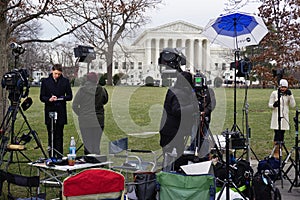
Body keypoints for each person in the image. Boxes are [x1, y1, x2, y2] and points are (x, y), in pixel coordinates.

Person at [159, 71, 199, 171]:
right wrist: (194, 107)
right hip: (173, 131)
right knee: (173, 158)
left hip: (171, 130)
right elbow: (177, 110)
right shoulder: (178, 93)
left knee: (173, 157)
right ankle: (170, 175)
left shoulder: (174, 90)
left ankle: (171, 173)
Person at [40, 64, 73, 158]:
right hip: (49, 109)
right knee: (50, 133)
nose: (57, 76)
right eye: (55, 74)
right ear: (52, 71)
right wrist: (49, 99)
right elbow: (42, 97)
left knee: (59, 134)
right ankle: (51, 155)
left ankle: (59, 155)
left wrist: (61, 98)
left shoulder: (65, 81)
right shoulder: (46, 82)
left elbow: (70, 96)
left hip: (60, 110)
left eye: (59, 74)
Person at [72, 72, 108, 155]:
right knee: (96, 144)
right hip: (98, 120)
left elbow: (75, 105)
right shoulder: (102, 90)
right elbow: (105, 101)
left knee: (87, 143)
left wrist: (81, 114)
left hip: (85, 120)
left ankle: (88, 161)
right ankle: (96, 161)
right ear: (96, 80)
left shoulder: (82, 90)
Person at [190, 71, 216, 158]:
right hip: (193, 118)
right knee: (194, 137)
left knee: (204, 137)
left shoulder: (209, 91)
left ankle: (204, 156)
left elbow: (212, 103)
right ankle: (192, 154)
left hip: (205, 118)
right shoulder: (191, 92)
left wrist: (205, 112)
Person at [268, 79, 295, 159]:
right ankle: (276, 151)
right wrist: (274, 105)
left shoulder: (287, 94)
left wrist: (291, 96)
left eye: (285, 87)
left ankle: (280, 150)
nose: (283, 89)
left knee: (282, 134)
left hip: (284, 117)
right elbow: (269, 104)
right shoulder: (274, 93)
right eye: (282, 87)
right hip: (276, 116)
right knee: (277, 134)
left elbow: (292, 105)